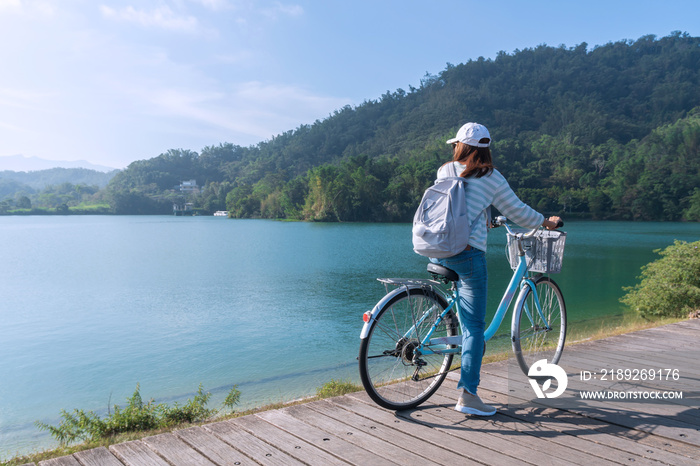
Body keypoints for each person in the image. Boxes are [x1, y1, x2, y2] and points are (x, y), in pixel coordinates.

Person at [433, 122, 561, 416]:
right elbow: (519, 213)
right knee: (476, 328)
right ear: (485, 148)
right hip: (467, 254)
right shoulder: (491, 176)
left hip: (438, 250)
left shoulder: (444, 170)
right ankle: (468, 396)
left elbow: (459, 203)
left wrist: (486, 216)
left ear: (459, 146)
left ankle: (461, 353)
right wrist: (546, 222)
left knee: (468, 324)